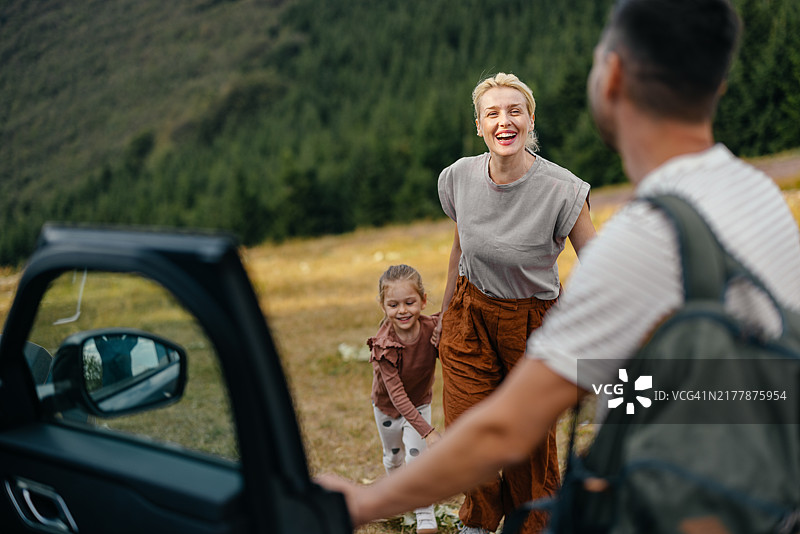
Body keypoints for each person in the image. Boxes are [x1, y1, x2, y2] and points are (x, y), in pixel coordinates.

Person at [317, 0, 800, 531]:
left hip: (691, 505)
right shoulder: (758, 192)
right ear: (718, 87)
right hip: (766, 495)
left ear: (611, 77)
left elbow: (504, 431)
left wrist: (360, 504)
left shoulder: (640, 243)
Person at [431, 72, 595, 534]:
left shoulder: (563, 190)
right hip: (469, 314)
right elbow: (459, 248)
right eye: (493, 113)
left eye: (514, 111)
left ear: (530, 119)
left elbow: (599, 266)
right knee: (467, 434)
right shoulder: (459, 177)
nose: (505, 121)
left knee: (527, 446)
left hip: (534, 324)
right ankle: (477, 524)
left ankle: (534, 526)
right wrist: (444, 316)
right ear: (479, 126)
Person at [368, 264, 443, 534]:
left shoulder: (432, 328)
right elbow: (397, 395)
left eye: (410, 302)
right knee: (394, 458)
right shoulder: (384, 345)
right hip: (388, 408)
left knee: (416, 459)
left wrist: (443, 326)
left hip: (420, 404)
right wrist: (429, 432)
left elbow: (452, 317)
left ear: (423, 301)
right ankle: (397, 495)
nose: (402, 311)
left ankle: (425, 516)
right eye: (393, 304)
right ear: (383, 306)